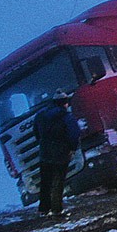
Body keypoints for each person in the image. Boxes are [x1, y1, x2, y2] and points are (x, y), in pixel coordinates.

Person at [33, 89, 80, 218]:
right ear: (65, 103)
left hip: (45, 152)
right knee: (58, 181)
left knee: (46, 181)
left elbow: (36, 132)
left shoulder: (40, 115)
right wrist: (72, 148)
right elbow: (74, 134)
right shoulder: (66, 117)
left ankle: (43, 209)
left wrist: (43, 144)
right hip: (61, 153)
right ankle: (57, 209)